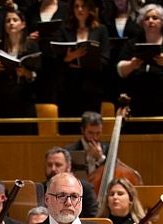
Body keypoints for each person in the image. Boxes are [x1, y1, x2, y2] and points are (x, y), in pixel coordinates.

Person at [116, 3, 163, 134]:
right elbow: (120, 70)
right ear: (142, 23)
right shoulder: (131, 44)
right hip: (137, 105)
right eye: (147, 18)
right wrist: (132, 64)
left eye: (155, 18)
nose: (150, 21)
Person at [54, 0, 109, 135]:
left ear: (90, 8)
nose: (80, 9)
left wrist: (85, 60)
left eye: (83, 6)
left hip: (92, 86)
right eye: (76, 6)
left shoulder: (100, 29)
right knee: (69, 129)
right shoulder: (64, 29)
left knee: (90, 128)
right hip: (69, 87)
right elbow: (57, 58)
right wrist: (71, 57)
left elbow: (105, 58)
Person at [0, 8, 39, 136]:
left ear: (23, 24)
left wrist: (25, 72)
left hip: (24, 100)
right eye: (8, 21)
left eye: (15, 20)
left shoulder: (31, 46)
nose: (11, 23)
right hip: (2, 101)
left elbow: (37, 75)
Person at [35, 147, 99, 217]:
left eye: (58, 165)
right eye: (49, 165)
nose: (53, 169)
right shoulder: (38, 189)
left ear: (68, 167)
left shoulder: (85, 188)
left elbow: (93, 218)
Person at [63, 111, 109, 177]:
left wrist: (100, 158)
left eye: (98, 133)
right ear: (82, 130)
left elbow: (112, 171)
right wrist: (85, 157)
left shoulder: (108, 149)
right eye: (91, 133)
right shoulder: (69, 150)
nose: (95, 137)